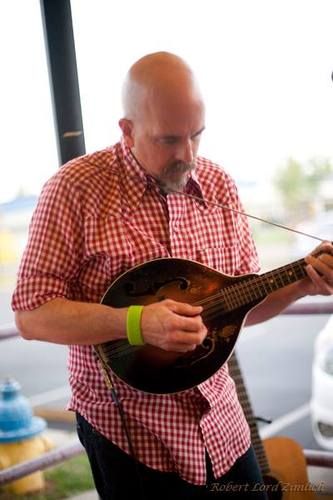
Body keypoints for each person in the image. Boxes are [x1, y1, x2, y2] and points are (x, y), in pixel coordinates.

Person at [12, 52, 333, 500]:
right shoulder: (74, 189)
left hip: (222, 421)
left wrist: (302, 284)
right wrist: (138, 323)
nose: (187, 156)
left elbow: (242, 309)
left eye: (196, 136)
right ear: (127, 130)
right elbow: (31, 314)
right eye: (167, 140)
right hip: (131, 433)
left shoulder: (219, 184)